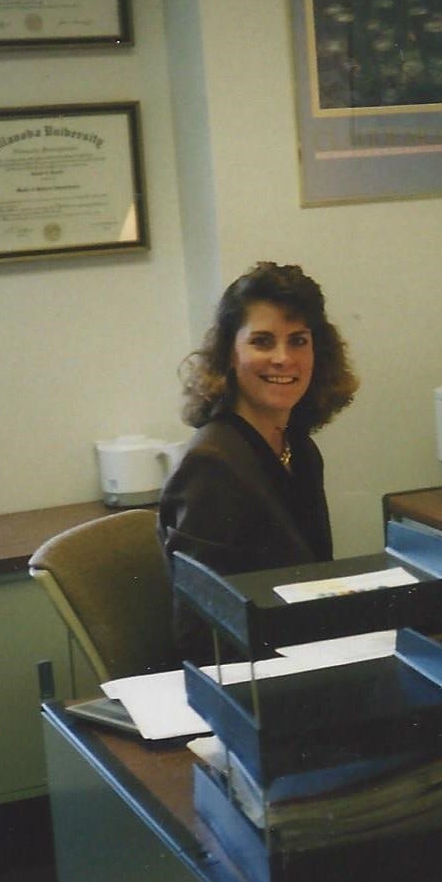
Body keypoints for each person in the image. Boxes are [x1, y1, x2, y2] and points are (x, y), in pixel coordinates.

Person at [158, 262, 358, 651]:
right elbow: (201, 629)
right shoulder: (212, 464)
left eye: (298, 340)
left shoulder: (298, 447)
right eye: (263, 342)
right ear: (230, 354)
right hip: (249, 680)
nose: (283, 358)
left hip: (302, 655)